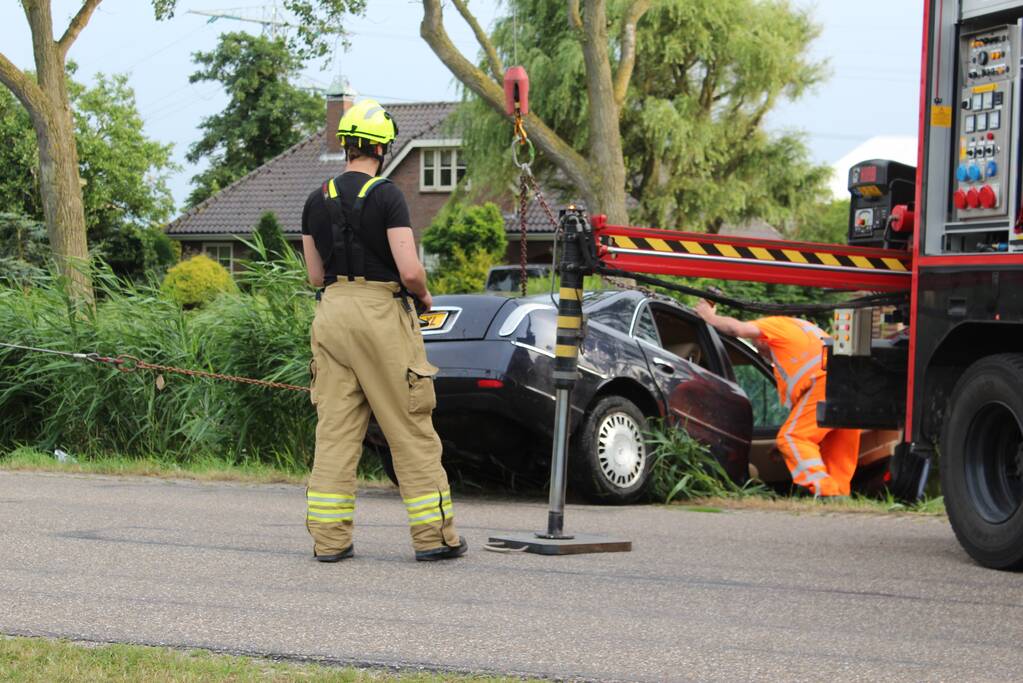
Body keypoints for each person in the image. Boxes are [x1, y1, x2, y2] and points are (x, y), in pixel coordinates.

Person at [300, 98, 466, 562]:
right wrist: (424, 296)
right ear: (382, 147)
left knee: (335, 432)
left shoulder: (314, 200)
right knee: (409, 427)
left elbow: (314, 275)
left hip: (332, 314)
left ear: (346, 145)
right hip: (380, 314)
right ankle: (434, 538)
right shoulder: (388, 195)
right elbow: (409, 270)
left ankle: (330, 541)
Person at [694, 300, 861, 497]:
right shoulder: (804, 331)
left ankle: (823, 491)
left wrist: (709, 317)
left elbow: (736, 329)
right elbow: (805, 412)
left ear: (764, 339)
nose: (762, 354)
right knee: (837, 447)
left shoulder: (774, 325)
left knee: (792, 438)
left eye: (758, 347)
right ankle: (838, 495)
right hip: (852, 386)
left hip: (826, 382)